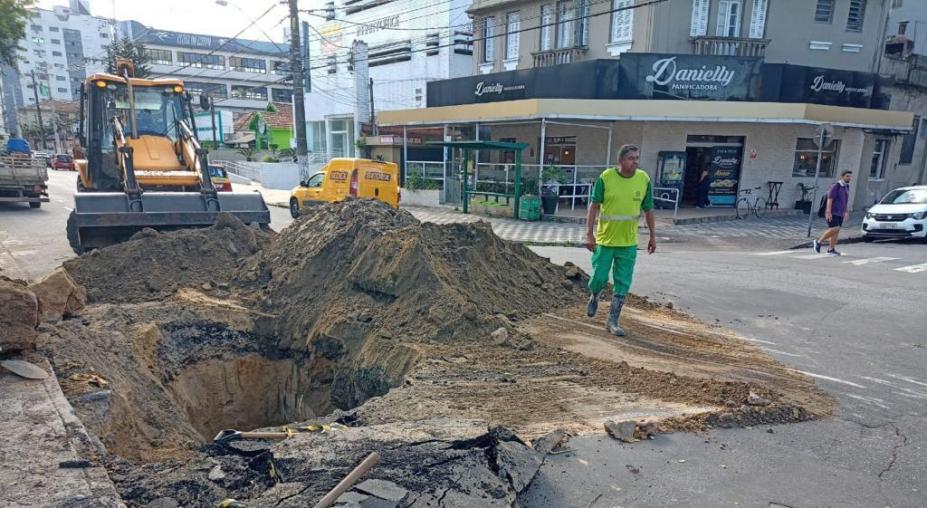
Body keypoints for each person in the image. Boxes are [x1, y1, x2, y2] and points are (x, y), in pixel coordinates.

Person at [585, 145, 657, 336]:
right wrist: (589, 234)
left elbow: (648, 209)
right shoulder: (606, 178)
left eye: (637, 158)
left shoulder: (643, 179)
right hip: (605, 240)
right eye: (631, 158)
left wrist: (652, 236)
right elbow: (593, 207)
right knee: (599, 276)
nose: (635, 162)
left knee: (623, 281)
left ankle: (613, 320)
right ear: (621, 161)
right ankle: (594, 295)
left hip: (628, 243)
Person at [813, 170, 852, 256]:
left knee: (836, 231)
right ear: (842, 177)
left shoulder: (846, 187)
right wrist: (828, 211)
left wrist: (846, 211)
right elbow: (830, 199)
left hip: (840, 212)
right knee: (835, 228)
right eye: (847, 176)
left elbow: (845, 200)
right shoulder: (836, 186)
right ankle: (818, 242)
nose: (849, 178)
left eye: (850, 176)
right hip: (833, 211)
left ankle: (831, 249)